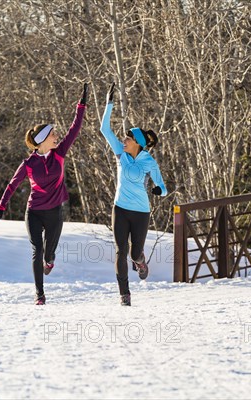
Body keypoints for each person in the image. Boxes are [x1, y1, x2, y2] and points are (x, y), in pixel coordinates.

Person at [0, 83, 88, 305]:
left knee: (48, 253)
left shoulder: (60, 153)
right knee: (37, 250)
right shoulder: (28, 164)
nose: (57, 136)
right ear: (43, 139)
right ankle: (39, 294)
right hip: (34, 212)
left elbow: (75, 128)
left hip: (54, 212)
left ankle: (50, 260)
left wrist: (81, 106)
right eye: (53, 134)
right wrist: (1, 206)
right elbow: (12, 184)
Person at [100, 83, 168, 306]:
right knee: (121, 251)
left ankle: (140, 261)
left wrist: (159, 190)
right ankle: (124, 294)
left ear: (137, 143)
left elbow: (162, 185)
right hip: (120, 209)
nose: (124, 140)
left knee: (133, 253)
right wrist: (109, 104)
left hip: (140, 212)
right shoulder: (121, 154)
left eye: (128, 138)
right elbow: (104, 130)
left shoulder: (149, 161)